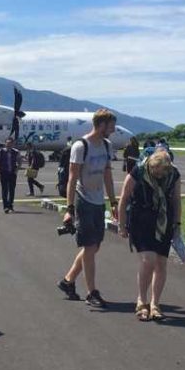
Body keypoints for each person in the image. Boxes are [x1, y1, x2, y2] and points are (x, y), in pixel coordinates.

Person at [57, 109, 118, 307]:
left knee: (95, 246)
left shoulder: (107, 145)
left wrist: (113, 202)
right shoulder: (80, 146)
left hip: (99, 202)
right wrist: (69, 208)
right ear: (101, 125)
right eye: (111, 126)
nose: (114, 130)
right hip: (84, 201)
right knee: (90, 247)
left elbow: (107, 175)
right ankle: (92, 293)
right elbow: (72, 179)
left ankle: (68, 281)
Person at [118, 149, 182, 322]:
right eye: (155, 171)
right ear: (150, 165)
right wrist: (121, 225)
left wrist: (177, 224)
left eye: (162, 172)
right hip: (141, 220)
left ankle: (155, 304)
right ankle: (141, 300)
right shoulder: (138, 171)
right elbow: (124, 198)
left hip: (163, 221)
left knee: (161, 263)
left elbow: (176, 199)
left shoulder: (173, 174)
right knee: (148, 260)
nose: (158, 175)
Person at [0, 137, 20, 213]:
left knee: (12, 190)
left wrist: (16, 169)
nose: (9, 144)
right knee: (4, 190)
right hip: (4, 172)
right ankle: (5, 206)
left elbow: (20, 161)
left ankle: (10, 205)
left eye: (10, 143)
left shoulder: (16, 152)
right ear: (5, 143)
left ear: (13, 144)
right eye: (7, 143)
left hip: (12, 173)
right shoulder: (1, 151)